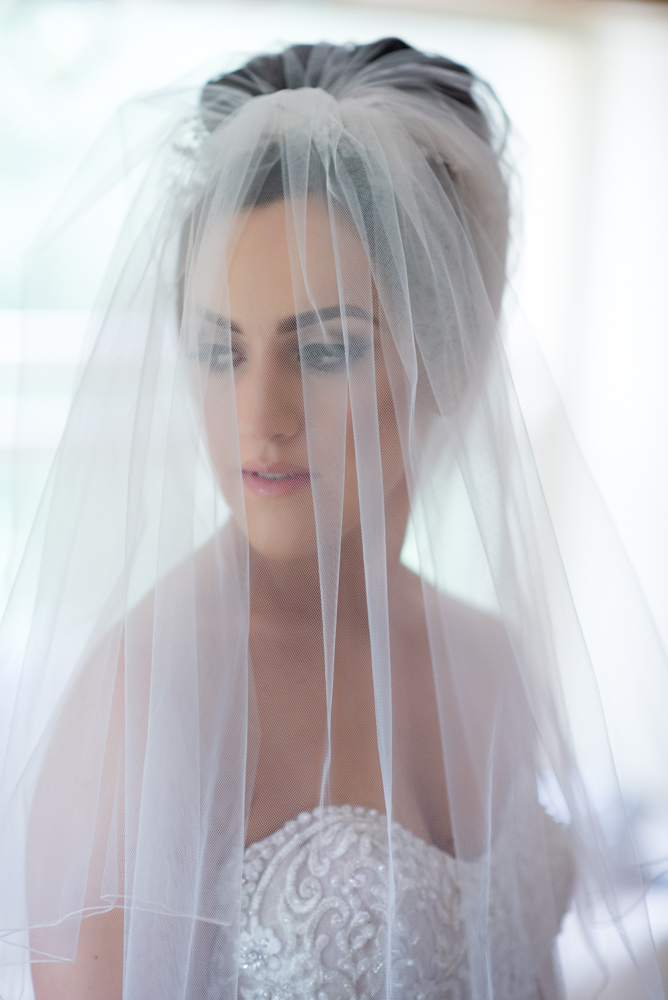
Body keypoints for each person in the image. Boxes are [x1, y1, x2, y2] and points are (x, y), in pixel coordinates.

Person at [0, 38, 664, 1000]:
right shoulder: (148, 702)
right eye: (221, 352)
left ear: (449, 353)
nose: (259, 419)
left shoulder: (490, 654)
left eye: (322, 351)